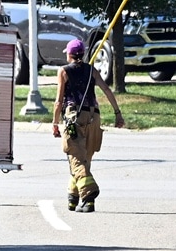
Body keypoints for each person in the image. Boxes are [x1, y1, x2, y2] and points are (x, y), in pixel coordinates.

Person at [51, 39, 124, 212]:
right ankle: (74, 197)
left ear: (69, 54)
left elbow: (59, 101)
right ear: (82, 54)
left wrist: (55, 123)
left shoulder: (63, 71)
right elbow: (106, 89)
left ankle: (89, 192)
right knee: (84, 159)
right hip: (94, 117)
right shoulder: (91, 70)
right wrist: (117, 113)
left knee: (75, 158)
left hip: (74, 117)